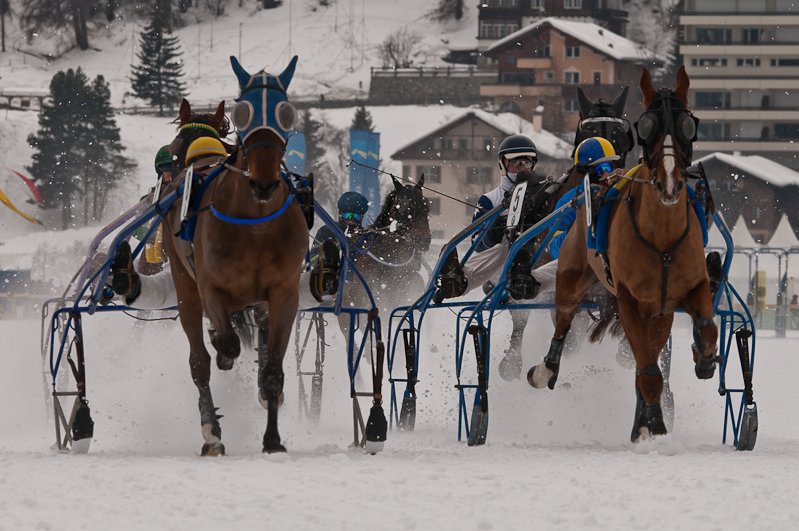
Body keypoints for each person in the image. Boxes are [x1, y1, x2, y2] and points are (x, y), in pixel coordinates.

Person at [110, 137, 229, 309]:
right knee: (148, 262)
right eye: (168, 168)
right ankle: (112, 279)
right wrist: (152, 235)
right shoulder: (154, 199)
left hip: (195, 256)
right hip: (165, 256)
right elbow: (138, 230)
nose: (173, 172)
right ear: (159, 171)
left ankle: (126, 285)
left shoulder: (208, 194)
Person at [438, 134, 544, 300]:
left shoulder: (544, 196)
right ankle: (459, 282)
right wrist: (495, 230)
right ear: (503, 164)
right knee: (504, 250)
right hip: (501, 268)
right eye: (515, 163)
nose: (521, 168)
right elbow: (478, 244)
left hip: (536, 263)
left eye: (527, 162)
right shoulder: (490, 199)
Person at [309, 191, 369, 302]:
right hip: (330, 283)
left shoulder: (365, 236)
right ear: (341, 215)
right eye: (348, 216)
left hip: (357, 286)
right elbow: (313, 256)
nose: (351, 221)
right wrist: (331, 256)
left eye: (354, 217)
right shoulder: (326, 231)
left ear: (360, 218)